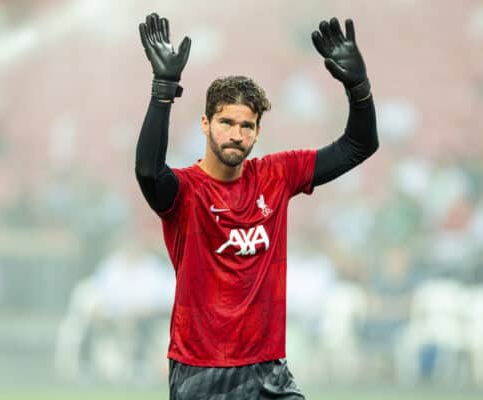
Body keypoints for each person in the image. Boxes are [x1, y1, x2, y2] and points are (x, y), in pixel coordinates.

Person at [135, 12, 378, 399]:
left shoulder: (277, 174)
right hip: (202, 372)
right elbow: (148, 173)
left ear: (257, 131)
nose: (236, 134)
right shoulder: (185, 190)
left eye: (246, 126)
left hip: (269, 370)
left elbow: (358, 145)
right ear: (205, 124)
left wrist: (359, 88)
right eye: (226, 122)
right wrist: (163, 88)